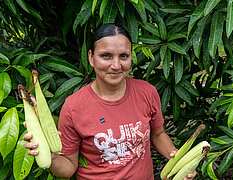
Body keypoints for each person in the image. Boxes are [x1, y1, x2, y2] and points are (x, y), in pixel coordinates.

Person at [23, 23, 197, 180]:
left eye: (123, 56)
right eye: (106, 56)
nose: (116, 65)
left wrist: (180, 161)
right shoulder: (74, 106)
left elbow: (158, 134)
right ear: (91, 58)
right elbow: (68, 169)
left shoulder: (146, 92)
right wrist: (50, 157)